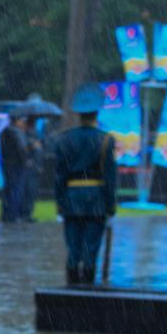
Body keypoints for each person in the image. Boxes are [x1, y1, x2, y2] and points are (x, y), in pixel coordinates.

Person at [54, 83, 117, 285]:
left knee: (73, 249)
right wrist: (110, 205)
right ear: (96, 114)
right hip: (96, 200)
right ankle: (87, 292)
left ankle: (71, 290)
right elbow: (110, 177)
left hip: (71, 200)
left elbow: (59, 176)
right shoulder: (105, 140)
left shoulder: (64, 139)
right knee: (91, 250)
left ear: (79, 114)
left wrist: (60, 202)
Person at [0, 114, 28, 223]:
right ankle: (13, 215)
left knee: (8, 190)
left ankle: (6, 214)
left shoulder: (4, 132)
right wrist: (25, 162)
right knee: (16, 190)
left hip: (7, 164)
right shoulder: (16, 132)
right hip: (16, 165)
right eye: (22, 120)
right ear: (17, 121)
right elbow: (21, 149)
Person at [21, 116, 44, 222]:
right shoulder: (26, 136)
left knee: (31, 192)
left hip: (34, 168)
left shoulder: (34, 135)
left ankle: (27, 213)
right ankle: (25, 214)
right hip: (31, 168)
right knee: (29, 191)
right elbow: (28, 150)